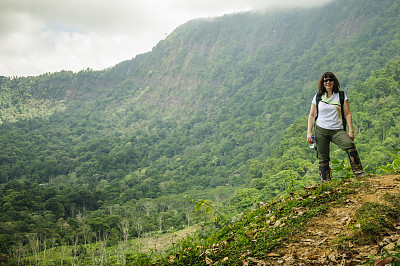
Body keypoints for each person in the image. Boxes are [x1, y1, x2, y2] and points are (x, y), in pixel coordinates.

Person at [307, 72, 365, 182]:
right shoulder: (318, 96)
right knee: (323, 158)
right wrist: (309, 132)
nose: (328, 82)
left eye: (330, 80)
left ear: (334, 82)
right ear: (322, 83)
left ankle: (359, 173)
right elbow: (312, 115)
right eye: (325, 80)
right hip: (321, 130)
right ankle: (326, 182)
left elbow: (348, 114)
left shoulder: (341, 95)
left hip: (337, 130)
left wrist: (351, 131)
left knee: (349, 145)